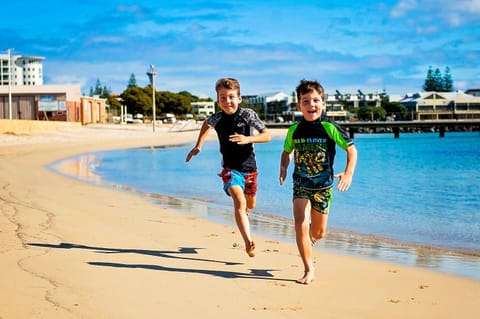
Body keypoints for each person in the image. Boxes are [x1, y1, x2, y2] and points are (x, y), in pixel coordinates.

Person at [279, 79, 357, 284]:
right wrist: (283, 167)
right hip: (301, 185)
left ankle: (311, 240)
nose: (311, 105)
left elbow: (351, 149)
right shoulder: (294, 129)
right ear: (299, 106)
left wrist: (348, 173)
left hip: (323, 188)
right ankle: (308, 269)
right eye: (305, 101)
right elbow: (286, 152)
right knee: (300, 224)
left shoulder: (329, 128)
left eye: (315, 100)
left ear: (323, 103)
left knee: (319, 232)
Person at [185, 78, 271, 257]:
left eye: (231, 97)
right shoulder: (217, 118)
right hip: (230, 170)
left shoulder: (247, 114)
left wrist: (248, 139)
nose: (227, 101)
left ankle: (245, 213)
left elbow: (266, 135)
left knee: (250, 204)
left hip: (250, 169)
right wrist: (198, 145)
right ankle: (248, 242)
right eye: (222, 98)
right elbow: (205, 125)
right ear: (218, 101)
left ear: (239, 98)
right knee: (239, 201)